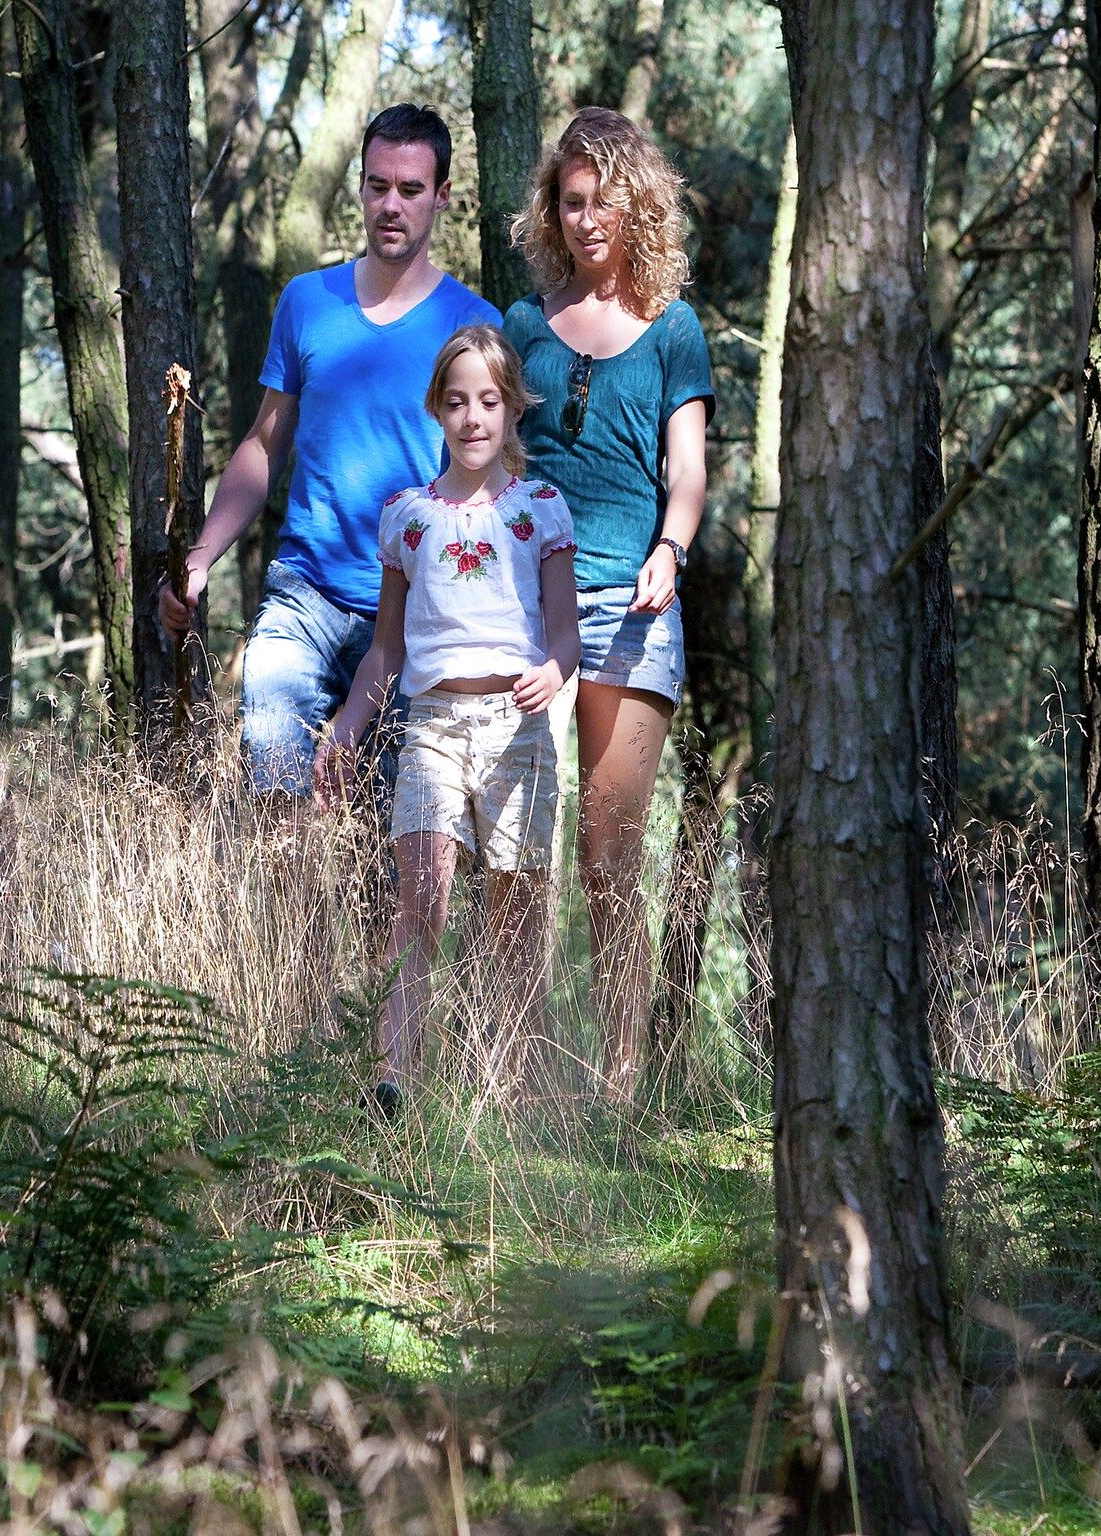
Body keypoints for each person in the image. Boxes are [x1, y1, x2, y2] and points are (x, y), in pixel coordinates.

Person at [158, 105, 499, 802]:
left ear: (441, 197)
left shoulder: (476, 326)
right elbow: (263, 443)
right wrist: (198, 558)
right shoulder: (306, 302)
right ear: (360, 188)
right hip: (303, 594)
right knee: (276, 794)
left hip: (415, 615)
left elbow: (487, 488)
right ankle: (289, 917)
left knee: (388, 861)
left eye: (410, 189)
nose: (391, 205)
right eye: (378, 186)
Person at [501, 108, 714, 1102]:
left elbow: (686, 470)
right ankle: (525, 1079)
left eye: (604, 203)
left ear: (640, 207)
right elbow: (488, 468)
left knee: (605, 857)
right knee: (516, 858)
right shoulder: (520, 327)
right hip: (523, 615)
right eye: (570, 202)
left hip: (632, 611)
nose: (587, 221)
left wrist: (671, 548)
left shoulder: (673, 329)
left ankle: (618, 1086)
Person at [315, 326, 580, 1115]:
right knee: (421, 899)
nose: (473, 419)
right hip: (430, 725)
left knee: (515, 919)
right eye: (458, 402)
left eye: (489, 402)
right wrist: (349, 726)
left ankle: (517, 1095)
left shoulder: (540, 510)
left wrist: (551, 672)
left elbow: (565, 632)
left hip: (516, 728)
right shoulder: (409, 518)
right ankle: (391, 1080)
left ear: (512, 410)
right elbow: (385, 650)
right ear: (436, 408)